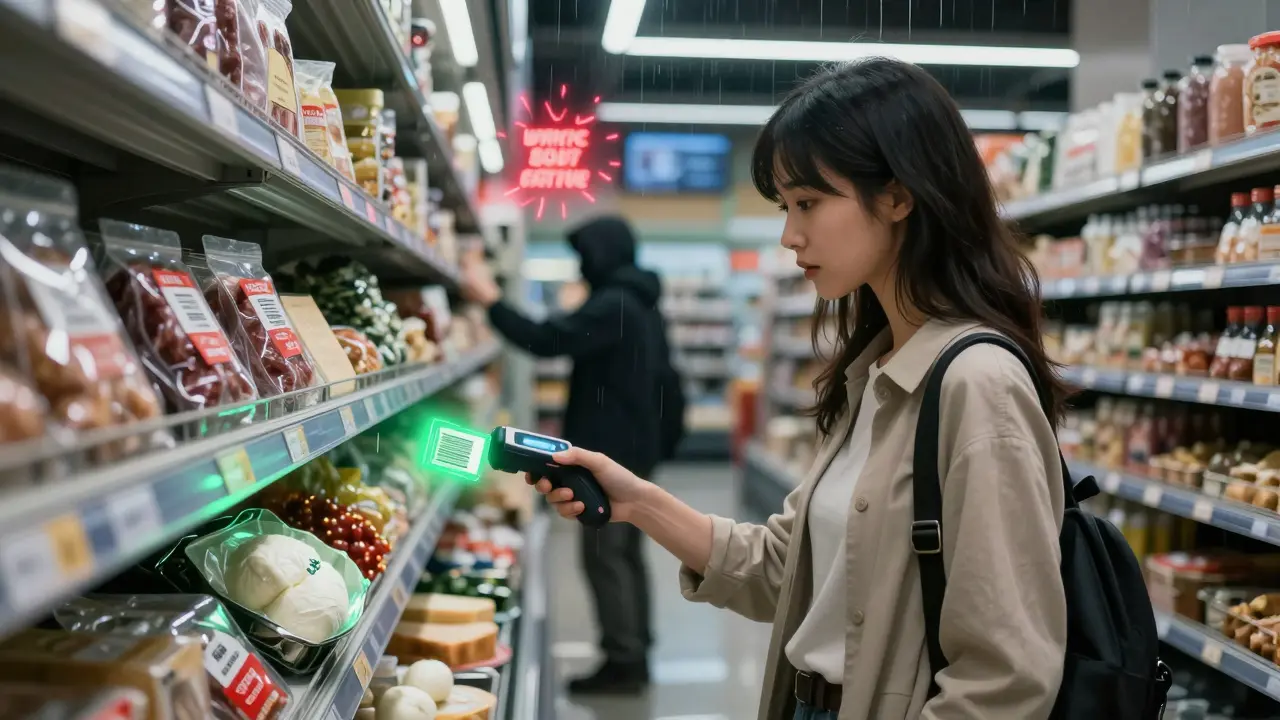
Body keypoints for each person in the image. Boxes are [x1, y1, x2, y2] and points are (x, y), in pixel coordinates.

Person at [524, 58, 1070, 720]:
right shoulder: (877, 372)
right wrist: (639, 502)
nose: (789, 235)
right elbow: (789, 573)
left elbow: (1005, 680)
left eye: (808, 203)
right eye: (787, 206)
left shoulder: (976, 386)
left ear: (899, 196)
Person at [460, 215, 676, 694]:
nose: (582, 267)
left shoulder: (614, 304)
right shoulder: (641, 301)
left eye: (584, 257)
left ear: (600, 255)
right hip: (636, 447)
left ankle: (623, 662)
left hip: (611, 454)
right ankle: (635, 647)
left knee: (605, 556)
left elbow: (547, 340)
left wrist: (490, 300)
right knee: (627, 555)